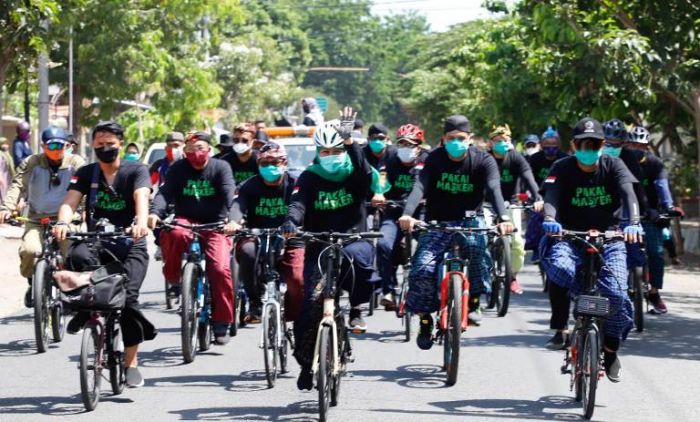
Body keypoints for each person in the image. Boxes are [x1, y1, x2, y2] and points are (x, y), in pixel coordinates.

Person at [282, 108, 381, 390]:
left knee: (360, 263)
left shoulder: (354, 173)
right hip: (320, 244)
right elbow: (298, 204)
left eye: (335, 150)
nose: (329, 156)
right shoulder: (309, 177)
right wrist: (291, 221)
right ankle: (305, 363)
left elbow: (364, 171)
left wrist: (350, 141)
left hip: (352, 238)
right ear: (317, 153)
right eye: (323, 151)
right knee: (310, 305)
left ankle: (357, 308)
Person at [53, 120, 155, 388]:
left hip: (130, 242)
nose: (105, 149)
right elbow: (70, 201)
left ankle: (131, 362)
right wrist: (63, 222)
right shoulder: (87, 173)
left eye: (110, 144)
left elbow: (141, 198)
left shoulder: (137, 170)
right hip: (98, 241)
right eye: (100, 145)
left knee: (129, 301)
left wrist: (141, 223)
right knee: (76, 255)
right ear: (93, 146)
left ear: (120, 144)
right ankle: (85, 309)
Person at [398, 115, 515, 349]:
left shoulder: (483, 160)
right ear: (443, 139)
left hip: (470, 220)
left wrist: (504, 218)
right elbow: (419, 186)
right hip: (436, 222)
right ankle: (424, 320)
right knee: (422, 269)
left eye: (461, 138)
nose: (456, 142)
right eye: (451, 138)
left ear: (469, 138)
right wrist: (408, 214)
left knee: (478, 253)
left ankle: (472, 301)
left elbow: (494, 189)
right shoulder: (433, 160)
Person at [539, 117, 641, 382]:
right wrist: (550, 220)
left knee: (617, 295)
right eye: (583, 143)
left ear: (602, 144)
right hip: (570, 237)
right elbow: (551, 197)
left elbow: (629, 194)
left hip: (611, 238)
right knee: (559, 268)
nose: (588, 148)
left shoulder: (614, 165)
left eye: (594, 143)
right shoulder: (561, 167)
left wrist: (634, 223)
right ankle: (570, 316)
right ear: (573, 145)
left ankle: (609, 350)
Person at [148, 131, 236, 345]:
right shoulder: (178, 168)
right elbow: (165, 193)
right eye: (191, 149)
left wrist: (233, 219)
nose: (196, 153)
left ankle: (221, 322)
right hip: (185, 219)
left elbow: (229, 193)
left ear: (209, 150)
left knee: (220, 269)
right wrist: (154, 213)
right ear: (185, 151)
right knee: (174, 233)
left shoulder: (221, 167)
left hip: (216, 223)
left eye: (200, 148)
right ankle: (175, 279)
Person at [0, 126, 85, 307]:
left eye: (59, 146)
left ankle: (70, 289)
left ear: (67, 145)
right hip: (37, 219)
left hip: (67, 221)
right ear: (42, 146)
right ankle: (34, 283)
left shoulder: (76, 163)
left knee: (72, 255)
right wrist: (6, 208)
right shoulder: (32, 162)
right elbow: (17, 185)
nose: (55, 151)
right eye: (50, 146)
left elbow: (86, 189)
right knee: (29, 251)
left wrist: (86, 210)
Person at [224, 142, 304, 324]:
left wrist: (294, 224)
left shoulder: (295, 183)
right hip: (257, 234)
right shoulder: (248, 185)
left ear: (284, 163)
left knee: (297, 279)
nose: (270, 167)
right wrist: (234, 221)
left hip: (291, 235)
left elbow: (300, 205)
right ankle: (255, 304)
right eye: (264, 163)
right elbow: (237, 205)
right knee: (247, 253)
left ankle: (293, 317)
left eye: (275, 162)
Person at [625, 125, 684, 314]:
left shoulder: (655, 163)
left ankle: (654, 292)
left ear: (647, 146)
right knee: (618, 254)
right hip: (625, 215)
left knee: (656, 253)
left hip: (651, 215)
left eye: (641, 145)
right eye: (633, 145)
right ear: (627, 145)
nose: (637, 149)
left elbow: (662, 187)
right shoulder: (620, 162)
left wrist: (668, 207)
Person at [371, 124, 428, 310]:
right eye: (401, 144)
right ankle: (388, 289)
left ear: (419, 146)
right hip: (394, 211)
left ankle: (428, 288)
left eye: (409, 144)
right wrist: (379, 192)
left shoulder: (427, 159)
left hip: (421, 213)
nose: (405, 148)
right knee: (384, 244)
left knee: (429, 246)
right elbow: (381, 176)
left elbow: (427, 183)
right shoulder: (390, 156)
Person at [488, 125, 543, 294]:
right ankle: (483, 275)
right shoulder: (485, 158)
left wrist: (537, 197)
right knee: (482, 242)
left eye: (505, 141)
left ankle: (512, 277)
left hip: (511, 204)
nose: (502, 144)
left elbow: (528, 176)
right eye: (498, 141)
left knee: (518, 244)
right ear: (491, 143)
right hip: (486, 205)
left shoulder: (516, 157)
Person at [524, 127, 568, 261]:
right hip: (539, 196)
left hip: (560, 196)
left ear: (559, 146)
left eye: (553, 146)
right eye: (547, 146)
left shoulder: (565, 159)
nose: (550, 149)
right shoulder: (534, 159)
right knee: (536, 218)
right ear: (542, 145)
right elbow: (529, 179)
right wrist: (536, 197)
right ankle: (536, 248)